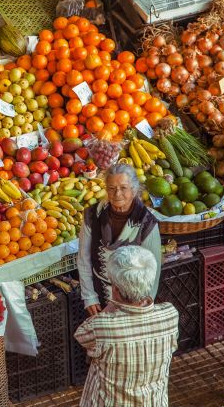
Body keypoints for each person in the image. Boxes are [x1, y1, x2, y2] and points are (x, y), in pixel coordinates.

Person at [74, 245, 178, 406]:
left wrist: (111, 306)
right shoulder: (170, 314)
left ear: (115, 289)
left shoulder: (103, 326)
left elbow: (81, 335)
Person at [77, 163, 162, 316]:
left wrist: (142, 306)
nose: (117, 194)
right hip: (99, 295)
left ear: (134, 190)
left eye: (123, 188)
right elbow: (84, 259)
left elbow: (153, 270)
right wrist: (89, 297)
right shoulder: (92, 215)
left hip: (135, 302)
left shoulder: (146, 222)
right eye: (111, 188)